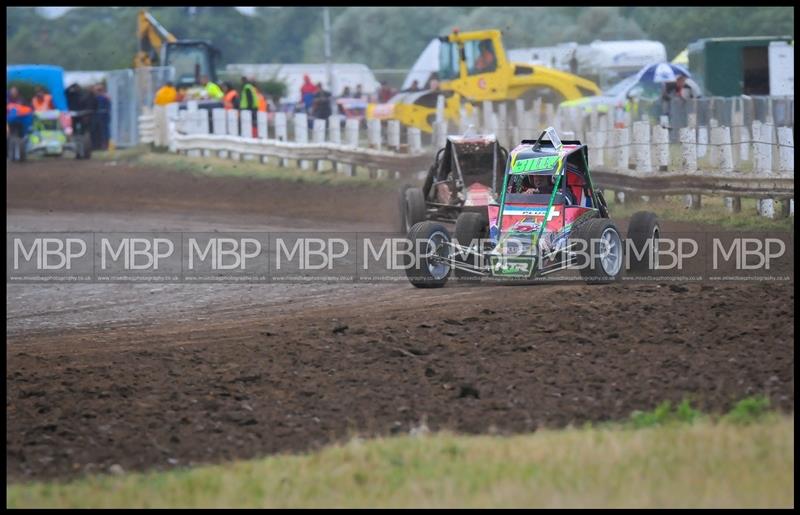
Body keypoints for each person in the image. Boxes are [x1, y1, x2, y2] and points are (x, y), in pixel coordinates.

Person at [91, 83, 111, 150]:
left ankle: (104, 145)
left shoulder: (105, 97)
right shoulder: (94, 98)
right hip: (96, 115)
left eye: (99, 90)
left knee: (104, 131)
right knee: (96, 131)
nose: (98, 92)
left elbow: (108, 107)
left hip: (103, 116)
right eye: (97, 90)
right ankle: (96, 145)